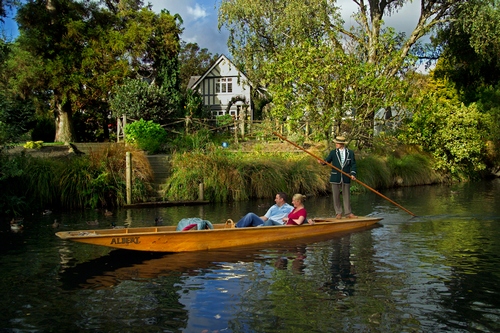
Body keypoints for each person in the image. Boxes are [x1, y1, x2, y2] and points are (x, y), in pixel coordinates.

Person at [321, 135, 357, 219]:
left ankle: (348, 213)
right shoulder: (333, 152)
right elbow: (327, 160)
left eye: (337, 143)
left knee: (346, 195)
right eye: (336, 143)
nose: (336, 144)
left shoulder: (350, 153)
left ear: (342, 144)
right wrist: (322, 162)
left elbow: (353, 164)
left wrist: (353, 174)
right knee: (336, 196)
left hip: (346, 176)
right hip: (335, 177)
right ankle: (338, 212)